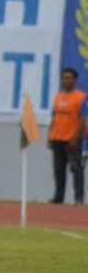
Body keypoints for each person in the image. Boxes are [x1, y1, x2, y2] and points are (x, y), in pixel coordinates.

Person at [47, 68, 87, 205]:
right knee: (58, 169)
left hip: (71, 139)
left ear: (75, 80)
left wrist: (76, 137)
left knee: (76, 169)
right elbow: (54, 117)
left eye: (69, 78)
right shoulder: (58, 97)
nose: (66, 81)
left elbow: (83, 119)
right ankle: (58, 197)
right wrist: (49, 136)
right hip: (57, 137)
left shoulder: (80, 97)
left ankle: (79, 198)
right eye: (64, 78)